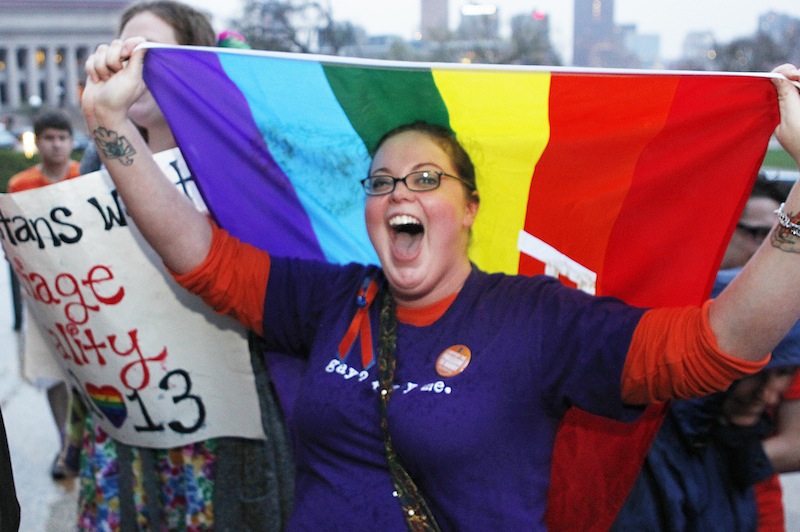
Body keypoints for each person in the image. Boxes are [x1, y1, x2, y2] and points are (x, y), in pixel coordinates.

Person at [82, 34, 800, 528]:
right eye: (383, 181)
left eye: (427, 179)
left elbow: (717, 343)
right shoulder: (334, 298)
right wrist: (110, 121)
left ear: (469, 210)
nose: (400, 195)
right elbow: (198, 255)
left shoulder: (539, 319)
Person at [72, 2, 293, 530]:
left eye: (147, 53)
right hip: (132, 413)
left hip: (225, 418)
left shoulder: (241, 164)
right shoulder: (92, 165)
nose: (128, 67)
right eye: (121, 51)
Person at [7, 109, 82, 480]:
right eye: (49, 138)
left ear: (71, 142)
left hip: (89, 290)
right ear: (37, 142)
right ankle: (65, 444)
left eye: (62, 138)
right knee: (53, 376)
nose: (56, 144)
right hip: (43, 296)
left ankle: (87, 442)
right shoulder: (21, 185)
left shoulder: (84, 177)